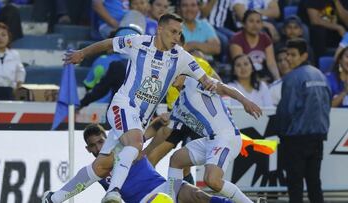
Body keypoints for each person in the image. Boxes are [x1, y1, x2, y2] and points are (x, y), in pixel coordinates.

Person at [43, 13, 217, 203]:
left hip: (140, 120)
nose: (177, 37)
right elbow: (109, 43)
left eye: (180, 33)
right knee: (135, 144)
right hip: (123, 106)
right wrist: (82, 53)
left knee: (102, 166)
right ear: (160, 29)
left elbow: (207, 80)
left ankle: (54, 198)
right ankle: (114, 191)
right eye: (173, 32)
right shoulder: (138, 43)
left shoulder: (181, 57)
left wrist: (219, 90)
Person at [79, 123, 234, 203]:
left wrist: (164, 120)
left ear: (106, 140)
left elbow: (154, 131)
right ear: (87, 149)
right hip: (144, 201)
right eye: (93, 145)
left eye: (100, 142)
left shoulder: (128, 148)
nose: (98, 148)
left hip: (167, 188)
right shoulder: (96, 171)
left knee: (199, 196)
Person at [166, 74, 262, 202]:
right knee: (176, 159)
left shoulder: (197, 83)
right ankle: (171, 200)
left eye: (173, 72)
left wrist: (245, 101)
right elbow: (165, 129)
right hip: (210, 140)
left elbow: (224, 88)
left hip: (225, 137)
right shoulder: (179, 103)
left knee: (212, 180)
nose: (169, 76)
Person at [276, 38, 331, 203]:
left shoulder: (292, 78)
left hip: (295, 139)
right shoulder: (320, 75)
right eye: (287, 55)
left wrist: (282, 134)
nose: (288, 59)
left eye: (293, 55)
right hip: (317, 137)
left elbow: (286, 111)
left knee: (295, 185)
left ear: (304, 55)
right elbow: (327, 104)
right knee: (314, 183)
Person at [229, 10, 280, 81]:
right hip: (244, 76)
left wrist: (277, 80)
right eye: (251, 21)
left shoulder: (265, 38)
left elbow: (271, 63)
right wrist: (256, 81)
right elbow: (240, 65)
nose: (255, 25)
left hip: (263, 74)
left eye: (258, 22)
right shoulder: (236, 39)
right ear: (244, 24)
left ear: (262, 24)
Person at [0, 22, 25, 100]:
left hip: (8, 92)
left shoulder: (14, 54)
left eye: (3, 35)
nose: (0, 38)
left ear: (9, 37)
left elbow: (21, 72)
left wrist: (18, 87)